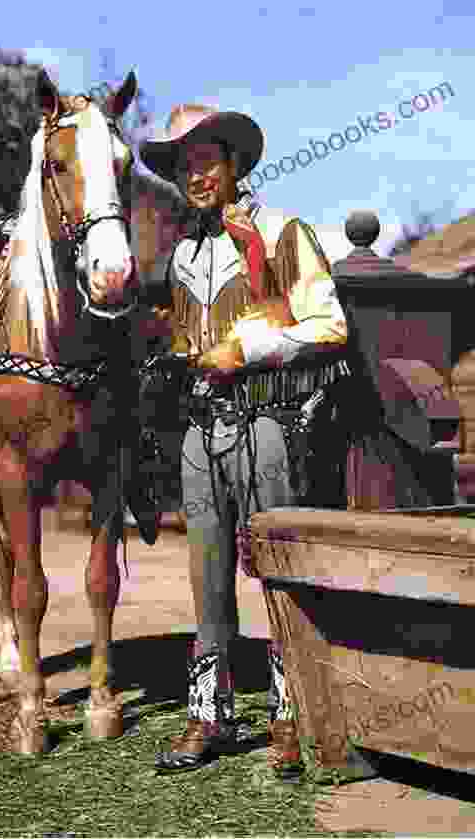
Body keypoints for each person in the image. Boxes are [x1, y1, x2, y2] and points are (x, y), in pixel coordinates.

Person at [139, 103, 348, 773]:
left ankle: (293, 714)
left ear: (233, 163)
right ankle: (210, 716)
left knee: (279, 572)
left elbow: (329, 326)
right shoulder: (180, 256)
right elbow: (180, 338)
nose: (194, 175)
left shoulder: (283, 233)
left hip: (269, 423)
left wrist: (247, 348)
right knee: (206, 576)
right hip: (201, 430)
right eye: (182, 165)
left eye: (204, 159)